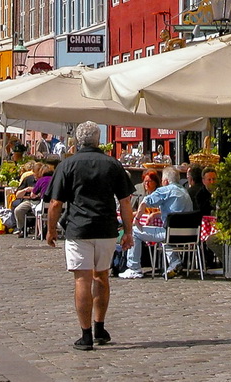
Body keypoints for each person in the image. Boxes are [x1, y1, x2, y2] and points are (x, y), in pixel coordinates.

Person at [46, 121, 134, 351]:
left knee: (82, 279)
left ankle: (85, 335)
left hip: (78, 229)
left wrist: (51, 229)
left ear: (77, 141)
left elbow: (56, 203)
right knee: (102, 276)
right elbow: (126, 201)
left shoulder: (68, 165)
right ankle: (99, 327)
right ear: (98, 140)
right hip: (106, 229)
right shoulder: (112, 164)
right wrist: (129, 231)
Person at [119, 166, 193, 280]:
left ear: (166, 181)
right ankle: (175, 262)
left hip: (169, 233)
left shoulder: (165, 190)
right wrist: (156, 214)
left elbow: (144, 202)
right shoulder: (185, 192)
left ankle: (134, 268)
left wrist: (137, 219)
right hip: (188, 234)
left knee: (134, 231)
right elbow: (176, 213)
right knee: (168, 233)